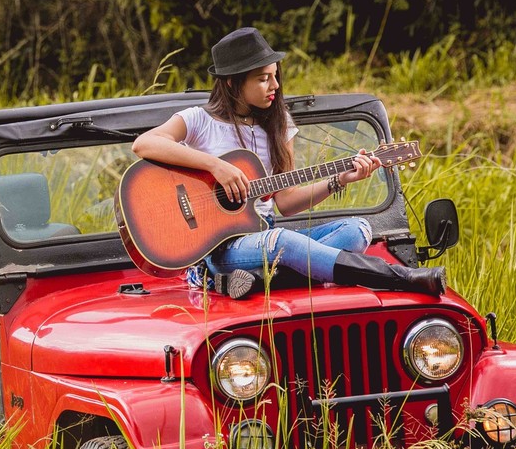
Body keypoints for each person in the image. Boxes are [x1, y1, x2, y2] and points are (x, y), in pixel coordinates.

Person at [130, 26, 445, 299]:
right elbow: (144, 143)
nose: (275, 86)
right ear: (231, 82)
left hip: (266, 236)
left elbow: (287, 203)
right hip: (224, 249)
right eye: (263, 79)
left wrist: (339, 180)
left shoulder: (278, 126)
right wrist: (216, 166)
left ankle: (260, 281)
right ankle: (398, 277)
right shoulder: (198, 120)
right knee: (284, 242)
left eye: (275, 76)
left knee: (358, 229)